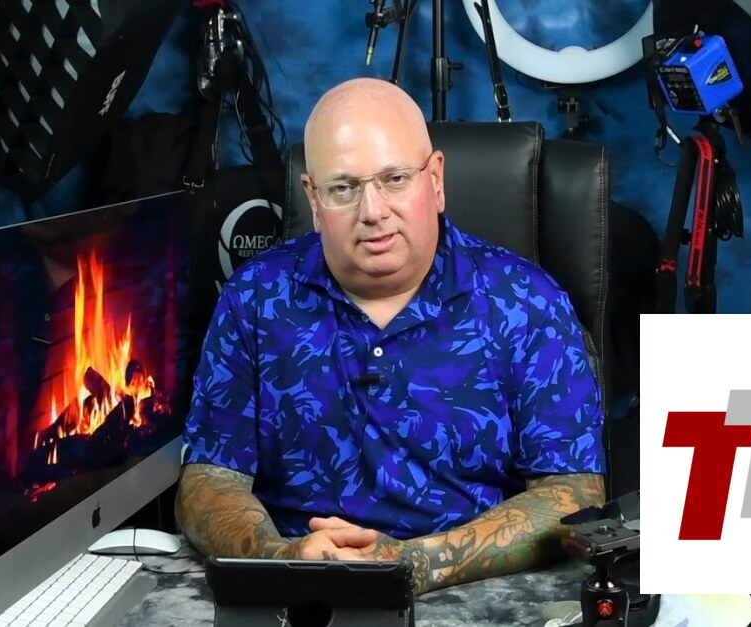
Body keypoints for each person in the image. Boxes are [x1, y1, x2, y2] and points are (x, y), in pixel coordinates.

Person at [175, 77, 606, 596]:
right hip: (297, 588)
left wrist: (418, 563)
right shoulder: (255, 299)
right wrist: (280, 558)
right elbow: (207, 482)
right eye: (343, 188)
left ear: (436, 179)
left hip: (473, 589)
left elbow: (574, 491)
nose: (373, 212)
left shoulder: (527, 301)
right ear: (313, 198)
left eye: (395, 179)